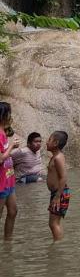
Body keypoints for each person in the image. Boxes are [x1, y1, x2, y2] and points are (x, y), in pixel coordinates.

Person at [0, 101, 20, 240]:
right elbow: (0, 158)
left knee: (13, 211)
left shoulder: (4, 132)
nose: (10, 116)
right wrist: (12, 146)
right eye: (9, 113)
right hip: (1, 181)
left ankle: (8, 244)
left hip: (9, 179)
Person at [46, 131, 70, 242]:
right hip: (57, 193)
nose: (46, 142)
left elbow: (63, 177)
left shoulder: (58, 158)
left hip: (59, 194)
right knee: (54, 223)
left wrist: (57, 197)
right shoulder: (55, 157)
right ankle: (58, 243)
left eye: (49, 140)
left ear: (55, 143)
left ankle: (58, 247)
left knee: (53, 224)